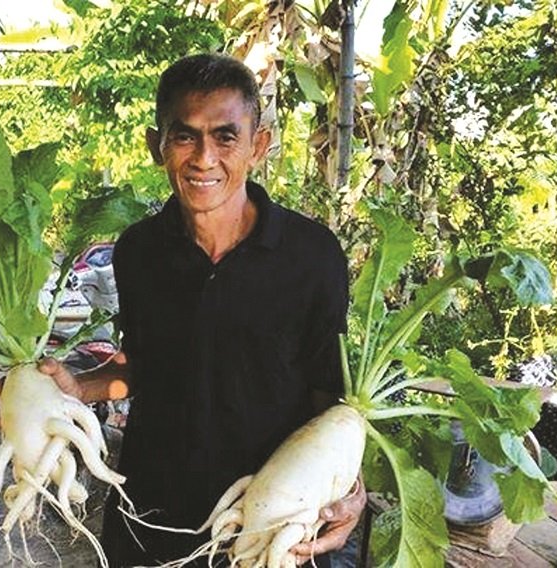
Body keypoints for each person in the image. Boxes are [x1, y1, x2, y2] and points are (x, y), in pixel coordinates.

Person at [39, 53, 365, 566]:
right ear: (157, 146)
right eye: (185, 135)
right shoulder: (139, 250)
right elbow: (144, 363)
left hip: (269, 516)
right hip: (151, 512)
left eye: (226, 136)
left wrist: (350, 484)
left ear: (259, 145)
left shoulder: (312, 254)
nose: (203, 158)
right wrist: (79, 387)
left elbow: (332, 396)